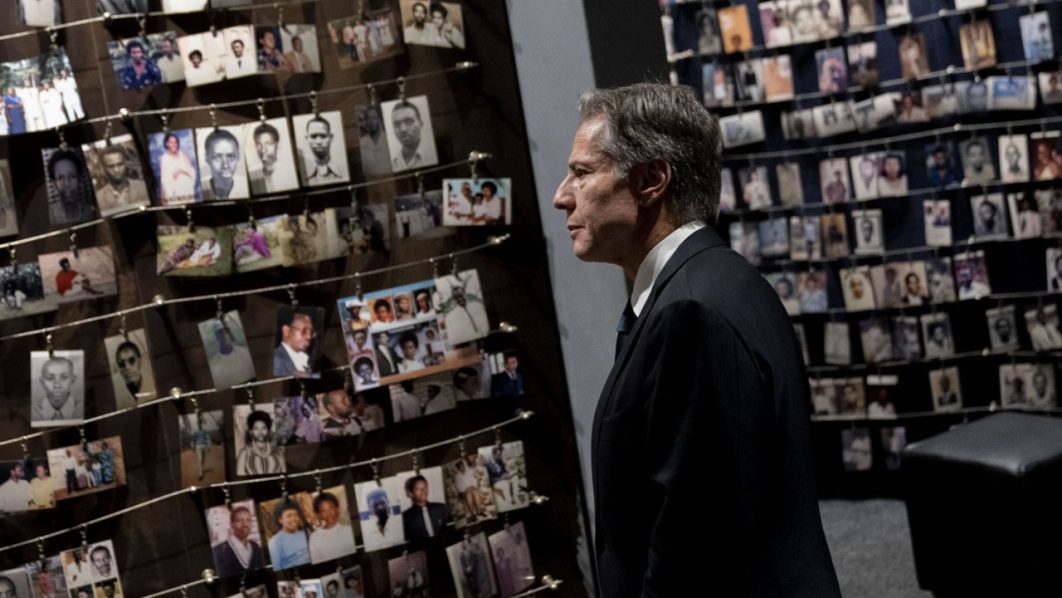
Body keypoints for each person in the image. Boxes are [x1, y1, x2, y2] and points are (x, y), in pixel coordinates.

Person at [552, 84, 838, 595]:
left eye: (581, 173)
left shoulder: (690, 312)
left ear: (651, 180)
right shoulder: (720, 280)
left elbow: (691, 549)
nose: (561, 196)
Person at [95, 145, 148, 214]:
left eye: (120, 164)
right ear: (104, 168)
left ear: (125, 163)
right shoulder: (98, 197)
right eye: (111, 166)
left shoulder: (142, 186)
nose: (116, 170)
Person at [47, 149, 93, 225]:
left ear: (80, 180)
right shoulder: (50, 214)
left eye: (72, 176)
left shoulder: (90, 212)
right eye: (60, 178)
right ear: (53, 183)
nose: (67, 184)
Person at [309, 492, 356, 562]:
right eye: (323, 511)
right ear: (318, 514)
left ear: (337, 509)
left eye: (331, 508)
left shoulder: (349, 530)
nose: (328, 513)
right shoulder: (314, 538)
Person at [33, 355, 81, 423]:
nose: (57, 385)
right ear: (42, 382)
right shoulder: (34, 413)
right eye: (50, 378)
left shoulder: (81, 410)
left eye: (64, 377)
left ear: (72, 380)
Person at [201, 128, 246, 200]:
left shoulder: (245, 187)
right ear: (207, 158)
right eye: (217, 157)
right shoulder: (200, 190)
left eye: (231, 157)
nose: (225, 165)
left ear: (238, 157)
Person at [235, 410, 284, 475]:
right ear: (251, 431)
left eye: (263, 428)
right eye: (256, 429)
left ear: (268, 430)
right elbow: (241, 480)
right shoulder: (244, 454)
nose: (260, 432)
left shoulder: (278, 453)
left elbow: (283, 475)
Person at [268, 501, 311, 570]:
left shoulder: (305, 534)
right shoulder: (275, 542)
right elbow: (277, 569)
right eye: (289, 516)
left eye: (296, 515)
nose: (294, 519)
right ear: (280, 520)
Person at [389, 100, 429, 171]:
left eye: (409, 122)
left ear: (421, 124)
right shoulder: (392, 164)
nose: (403, 129)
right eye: (397, 124)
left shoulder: (432, 156)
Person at [158, 132, 198, 204]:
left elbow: (192, 172)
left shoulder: (183, 155)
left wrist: (181, 171)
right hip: (174, 193)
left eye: (175, 142)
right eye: (171, 142)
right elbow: (163, 179)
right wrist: (163, 195)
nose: (173, 144)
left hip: (187, 190)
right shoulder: (164, 158)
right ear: (167, 144)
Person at [274, 310, 316, 378]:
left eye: (311, 332)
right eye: (304, 331)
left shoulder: (307, 358)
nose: (309, 337)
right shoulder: (277, 360)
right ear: (286, 331)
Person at [302, 116, 344, 182]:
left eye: (323, 136)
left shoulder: (344, 171)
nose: (319, 142)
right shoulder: (302, 174)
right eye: (313, 136)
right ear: (307, 138)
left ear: (331, 137)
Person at [357, 104, 390, 177]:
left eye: (373, 118)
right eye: (368, 118)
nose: (370, 121)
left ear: (379, 119)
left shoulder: (388, 139)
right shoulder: (362, 142)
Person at [191, 413, 212, 481]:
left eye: (201, 423)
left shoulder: (205, 431)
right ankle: (200, 474)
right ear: (198, 424)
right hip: (198, 446)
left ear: (202, 424)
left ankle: (201, 470)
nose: (200, 424)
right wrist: (193, 447)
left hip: (204, 445)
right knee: (200, 459)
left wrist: (209, 446)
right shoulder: (196, 432)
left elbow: (208, 438)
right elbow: (193, 440)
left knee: (203, 459)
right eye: (199, 423)